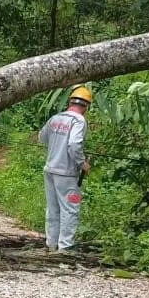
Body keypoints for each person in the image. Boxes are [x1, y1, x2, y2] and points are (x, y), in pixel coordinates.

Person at [37, 85, 92, 252]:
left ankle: (51, 244)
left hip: (50, 170)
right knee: (70, 209)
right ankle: (65, 248)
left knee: (52, 209)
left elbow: (42, 137)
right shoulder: (79, 121)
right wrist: (82, 163)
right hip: (67, 174)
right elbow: (74, 145)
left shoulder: (56, 118)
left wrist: (56, 146)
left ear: (70, 101)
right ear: (86, 106)